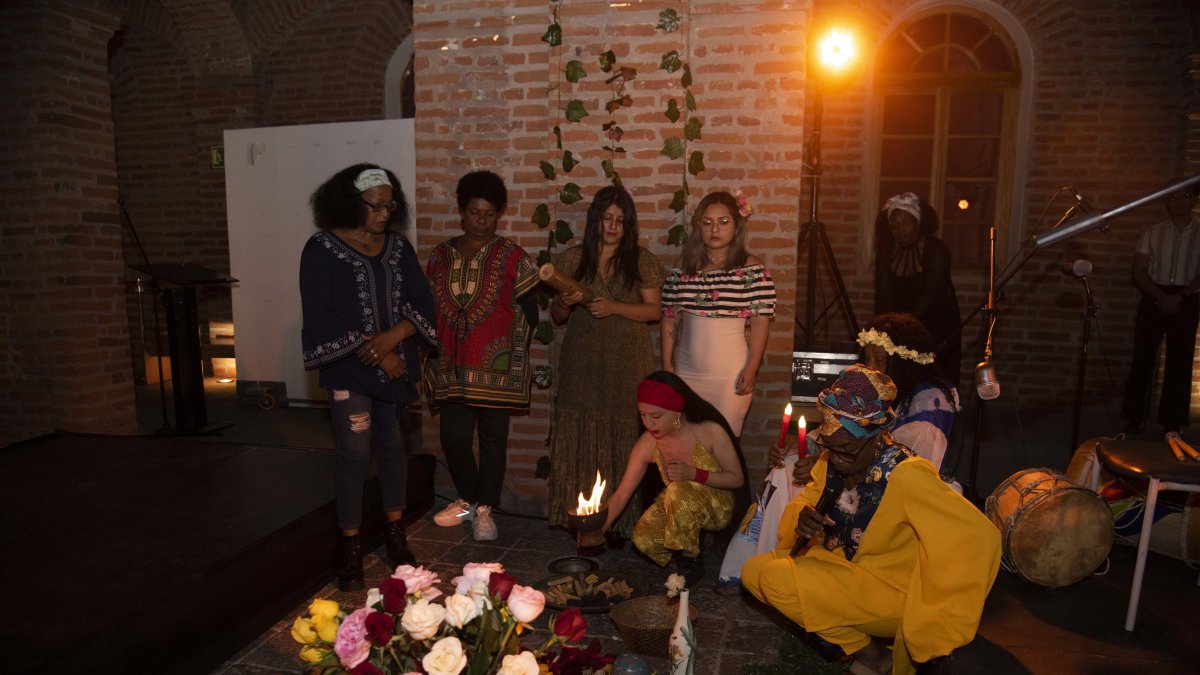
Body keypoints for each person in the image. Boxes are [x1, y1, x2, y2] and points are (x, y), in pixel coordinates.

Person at [741, 365, 1000, 675]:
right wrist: (803, 521)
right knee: (754, 573)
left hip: (889, 591)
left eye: (846, 452)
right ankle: (860, 644)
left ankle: (875, 657)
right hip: (844, 571)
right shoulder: (832, 462)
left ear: (876, 438)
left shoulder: (906, 473)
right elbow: (805, 502)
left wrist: (938, 604)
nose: (836, 459)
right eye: (830, 449)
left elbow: (979, 535)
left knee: (776, 581)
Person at [299, 163, 438, 591]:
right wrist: (378, 353)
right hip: (350, 369)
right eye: (374, 206)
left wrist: (395, 338)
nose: (383, 213)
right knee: (354, 453)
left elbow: (422, 302)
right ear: (349, 202)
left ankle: (395, 533)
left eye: (389, 205)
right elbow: (320, 316)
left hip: (394, 365)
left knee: (393, 447)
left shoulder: (398, 248)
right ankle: (351, 545)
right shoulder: (320, 249)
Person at [425, 170, 539, 542]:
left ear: (499, 214)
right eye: (475, 212)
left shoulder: (512, 256)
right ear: (461, 211)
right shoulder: (440, 256)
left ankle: (485, 507)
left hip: (497, 368)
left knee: (493, 439)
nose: (482, 220)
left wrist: (512, 352)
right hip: (453, 367)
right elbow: (429, 307)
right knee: (454, 438)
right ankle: (467, 498)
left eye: (489, 214)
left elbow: (531, 307)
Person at [546, 185, 665, 538]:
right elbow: (557, 317)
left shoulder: (641, 260)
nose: (613, 226)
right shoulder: (571, 260)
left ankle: (621, 523)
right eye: (606, 218)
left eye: (620, 220)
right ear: (595, 221)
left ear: (629, 226)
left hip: (628, 363)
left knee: (626, 438)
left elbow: (653, 311)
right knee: (580, 437)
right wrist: (565, 302)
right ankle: (580, 518)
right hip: (582, 364)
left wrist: (614, 307)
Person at [602, 371, 747, 588]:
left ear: (677, 412)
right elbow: (623, 492)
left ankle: (691, 562)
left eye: (657, 416)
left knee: (677, 490)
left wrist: (694, 474)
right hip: (678, 503)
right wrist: (598, 528)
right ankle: (689, 546)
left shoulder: (709, 431)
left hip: (718, 503)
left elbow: (737, 479)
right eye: (642, 414)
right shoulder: (649, 442)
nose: (648, 423)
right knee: (643, 540)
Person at [661, 190, 776, 436]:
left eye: (723, 222)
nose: (715, 229)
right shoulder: (682, 268)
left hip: (730, 375)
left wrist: (751, 368)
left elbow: (759, 324)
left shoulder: (752, 269)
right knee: (686, 444)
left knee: (723, 446)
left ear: (736, 226)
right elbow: (670, 319)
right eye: (708, 222)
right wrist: (667, 367)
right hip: (687, 371)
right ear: (699, 227)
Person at [1121, 181, 1200, 435]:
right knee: (1143, 358)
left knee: (1181, 358)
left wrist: (1183, 295)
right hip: (1154, 295)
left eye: (1186, 196)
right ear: (1167, 201)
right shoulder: (1152, 232)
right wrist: (1159, 296)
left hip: (1186, 298)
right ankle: (1135, 417)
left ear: (1194, 201)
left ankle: (1172, 421)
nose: (1180, 201)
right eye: (1174, 197)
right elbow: (1138, 270)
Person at [873, 192, 962, 388]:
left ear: (918, 222)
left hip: (936, 324)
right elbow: (883, 293)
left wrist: (906, 325)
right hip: (899, 326)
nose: (899, 229)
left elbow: (933, 293)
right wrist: (887, 326)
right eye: (894, 224)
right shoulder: (886, 253)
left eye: (905, 222)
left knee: (933, 380)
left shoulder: (936, 249)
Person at [856, 312, 959, 471]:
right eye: (866, 358)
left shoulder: (927, 412)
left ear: (903, 362)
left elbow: (904, 472)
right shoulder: (891, 388)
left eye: (879, 359)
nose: (869, 368)